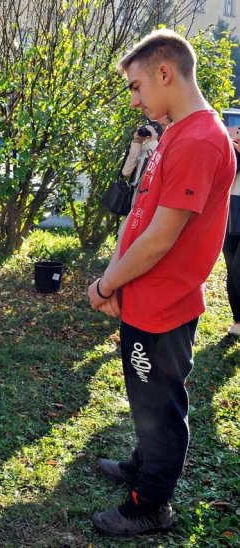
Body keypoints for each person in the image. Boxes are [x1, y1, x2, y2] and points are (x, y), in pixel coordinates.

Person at [87, 30, 236, 536]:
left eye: (136, 86)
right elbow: (138, 217)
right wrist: (116, 280)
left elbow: (160, 239)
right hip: (143, 299)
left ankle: (150, 505)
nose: (135, 99)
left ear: (165, 73)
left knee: (161, 408)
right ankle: (140, 465)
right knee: (144, 397)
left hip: (166, 307)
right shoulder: (174, 131)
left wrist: (106, 287)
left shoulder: (198, 139)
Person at [222, 139, 240, 336]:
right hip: (230, 213)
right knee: (231, 268)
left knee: (238, 269)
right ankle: (238, 319)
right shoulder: (232, 149)